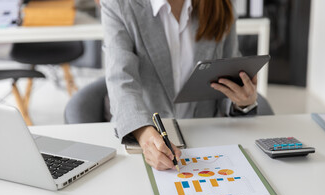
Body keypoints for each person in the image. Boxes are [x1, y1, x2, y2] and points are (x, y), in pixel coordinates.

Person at [101, 0, 258, 170]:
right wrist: (144, 134)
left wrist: (241, 101)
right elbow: (121, 81)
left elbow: (226, 81)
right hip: (145, 143)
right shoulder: (118, 4)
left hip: (208, 142)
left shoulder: (221, 4)